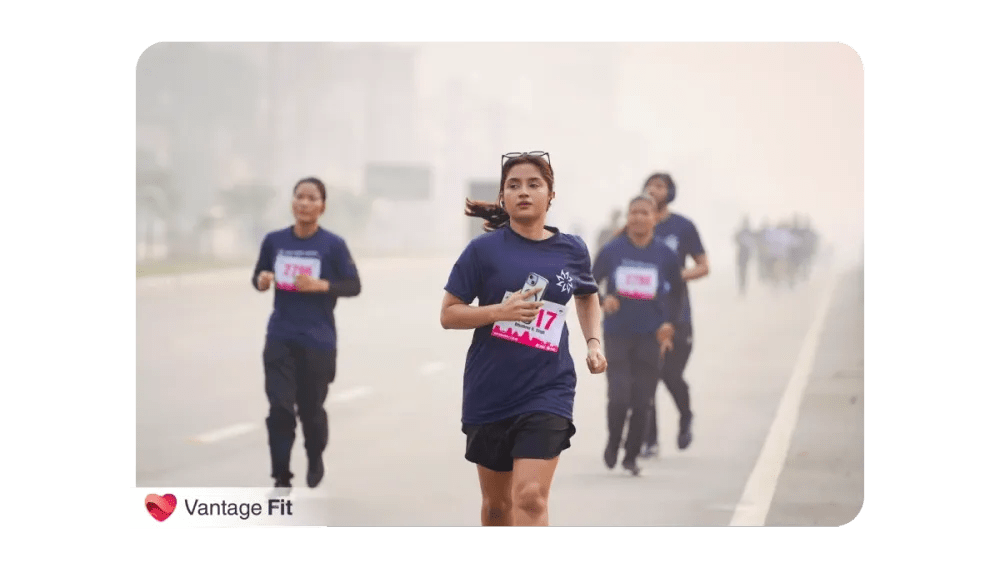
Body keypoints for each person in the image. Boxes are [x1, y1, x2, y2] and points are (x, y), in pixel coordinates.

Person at [440, 151, 607, 526]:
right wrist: (497, 312)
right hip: (491, 390)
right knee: (497, 508)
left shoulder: (572, 249)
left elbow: (586, 294)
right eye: (513, 186)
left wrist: (593, 342)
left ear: (551, 195)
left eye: (534, 184)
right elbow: (449, 314)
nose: (524, 192)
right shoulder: (482, 251)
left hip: (548, 390)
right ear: (503, 197)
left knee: (530, 498)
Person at [252, 177, 361, 491]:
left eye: (312, 198)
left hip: (318, 340)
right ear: (292, 202)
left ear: (322, 206)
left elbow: (353, 285)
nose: (304, 202)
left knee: (311, 410)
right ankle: (281, 476)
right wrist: (262, 280)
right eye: (299, 196)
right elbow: (258, 275)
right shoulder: (274, 241)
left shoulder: (333, 245)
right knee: (280, 409)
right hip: (280, 336)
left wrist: (321, 285)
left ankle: (314, 455)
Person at [592, 194, 685, 476]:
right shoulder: (612, 250)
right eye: (634, 213)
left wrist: (671, 324)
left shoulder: (665, 254)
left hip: (650, 336)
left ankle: (631, 455)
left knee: (643, 399)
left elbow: (678, 293)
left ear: (655, 218)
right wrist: (603, 300)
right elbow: (589, 283)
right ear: (627, 217)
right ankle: (613, 441)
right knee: (619, 396)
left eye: (645, 213)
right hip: (617, 333)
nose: (638, 218)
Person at [640, 172, 709, 457]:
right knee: (646, 376)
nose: (654, 190)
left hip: (677, 313)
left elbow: (703, 266)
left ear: (670, 192)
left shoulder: (683, 227)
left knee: (670, 374)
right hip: (643, 314)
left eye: (660, 186)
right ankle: (650, 439)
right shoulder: (637, 226)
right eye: (649, 186)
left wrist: (676, 275)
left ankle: (686, 416)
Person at [734, 216, 755, 296]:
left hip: (746, 254)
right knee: (742, 272)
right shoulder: (741, 232)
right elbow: (735, 239)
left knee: (744, 272)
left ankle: (743, 287)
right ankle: (742, 287)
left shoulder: (749, 232)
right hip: (741, 254)